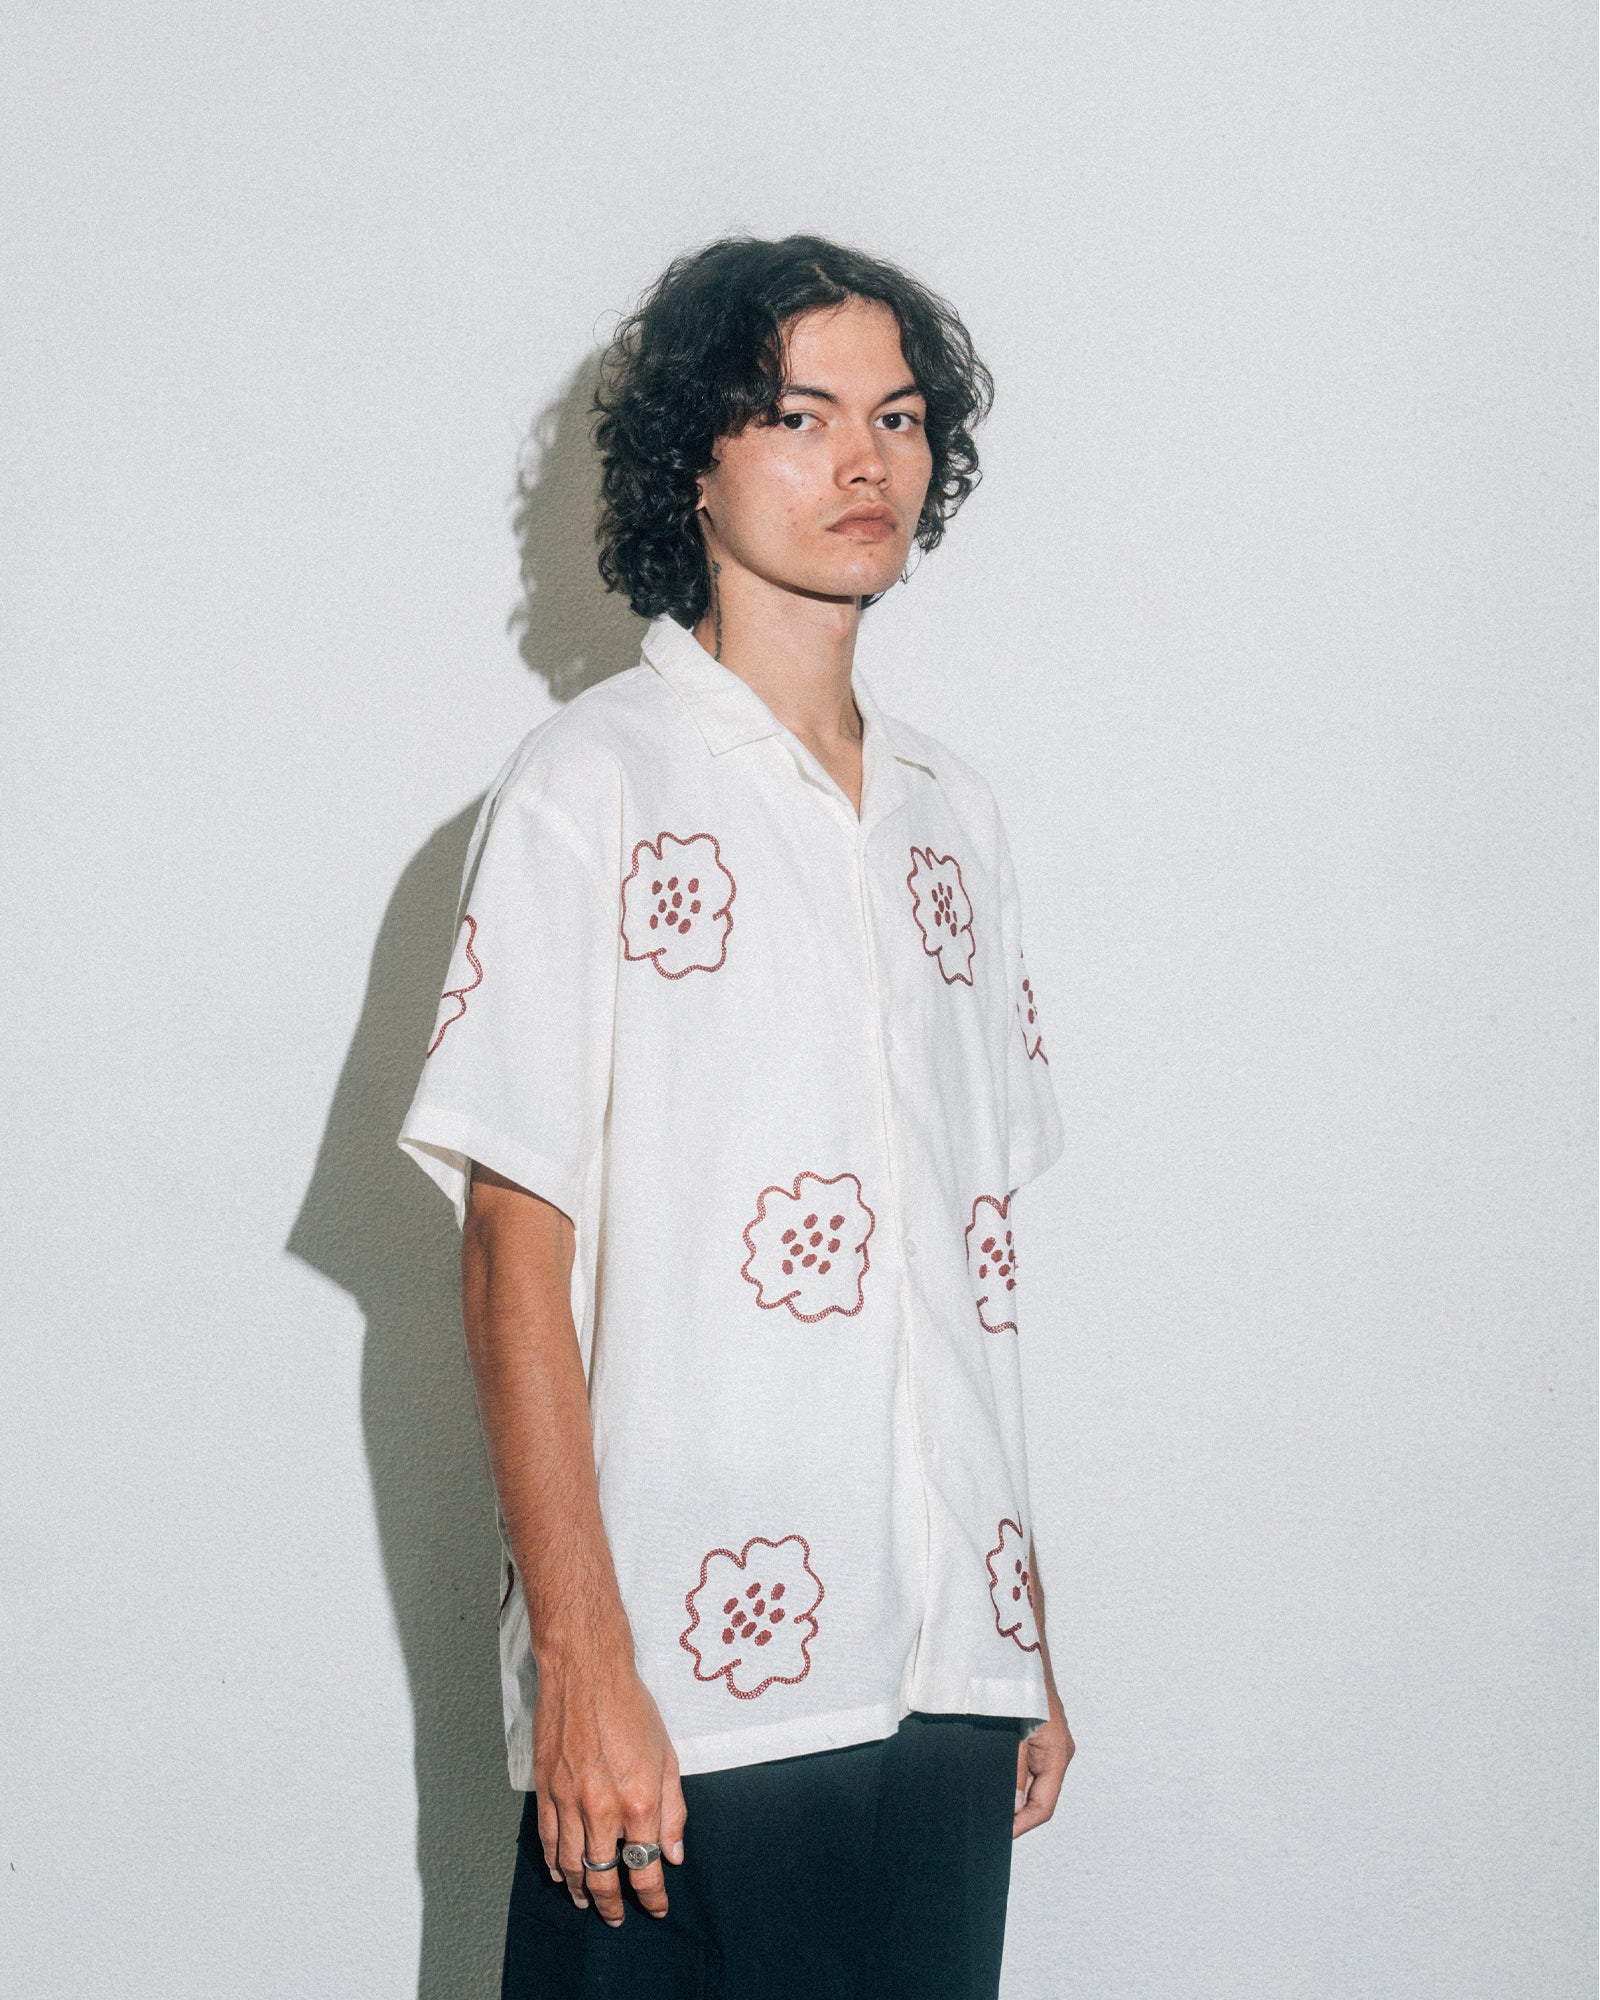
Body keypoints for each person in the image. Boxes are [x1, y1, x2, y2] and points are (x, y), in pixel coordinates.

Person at [398, 234, 1075, 1999]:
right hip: (685, 1695)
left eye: (903, 418)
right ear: (695, 457)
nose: (867, 462)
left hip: (939, 1681)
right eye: (800, 414)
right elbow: (506, 1258)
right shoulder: (590, 786)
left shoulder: (953, 817)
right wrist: (586, 1667)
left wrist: (1023, 1635)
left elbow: (971, 1264)